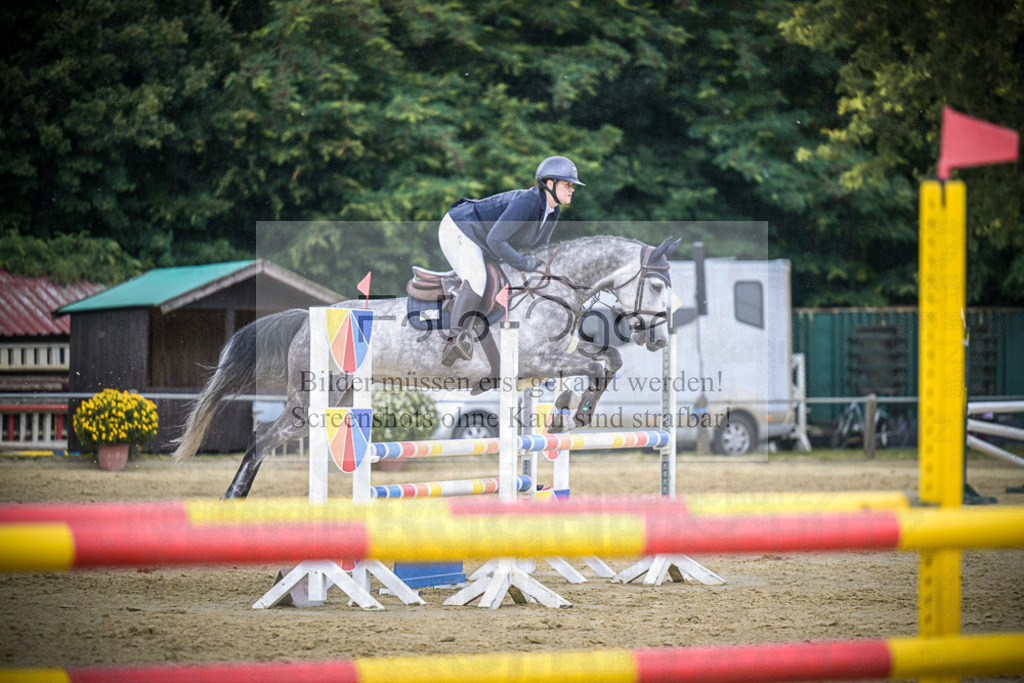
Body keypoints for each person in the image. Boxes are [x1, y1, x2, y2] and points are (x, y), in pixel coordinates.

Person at [437, 155, 585, 366]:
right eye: (568, 184)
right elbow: (496, 240)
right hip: (459, 228)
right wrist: (524, 264)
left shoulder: (553, 211)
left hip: (482, 240)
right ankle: (454, 339)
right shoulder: (528, 202)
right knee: (478, 278)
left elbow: (540, 249)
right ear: (550, 183)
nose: (572, 189)